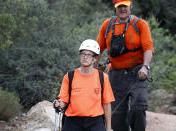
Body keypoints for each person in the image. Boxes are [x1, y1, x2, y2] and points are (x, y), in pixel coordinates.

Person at [96, 0, 154, 131]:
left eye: (125, 6)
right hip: (116, 74)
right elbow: (97, 49)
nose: (123, 9)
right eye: (119, 6)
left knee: (138, 106)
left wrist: (145, 67)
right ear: (115, 8)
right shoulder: (108, 25)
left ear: (130, 6)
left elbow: (148, 49)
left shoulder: (140, 24)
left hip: (138, 73)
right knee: (117, 114)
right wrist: (91, 68)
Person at [54, 39, 115, 131]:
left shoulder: (103, 77)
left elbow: (106, 104)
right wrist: (59, 104)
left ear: (94, 58)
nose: (85, 57)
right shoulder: (70, 76)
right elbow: (63, 99)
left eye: (88, 55)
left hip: (95, 122)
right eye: (83, 54)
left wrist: (109, 128)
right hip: (72, 121)